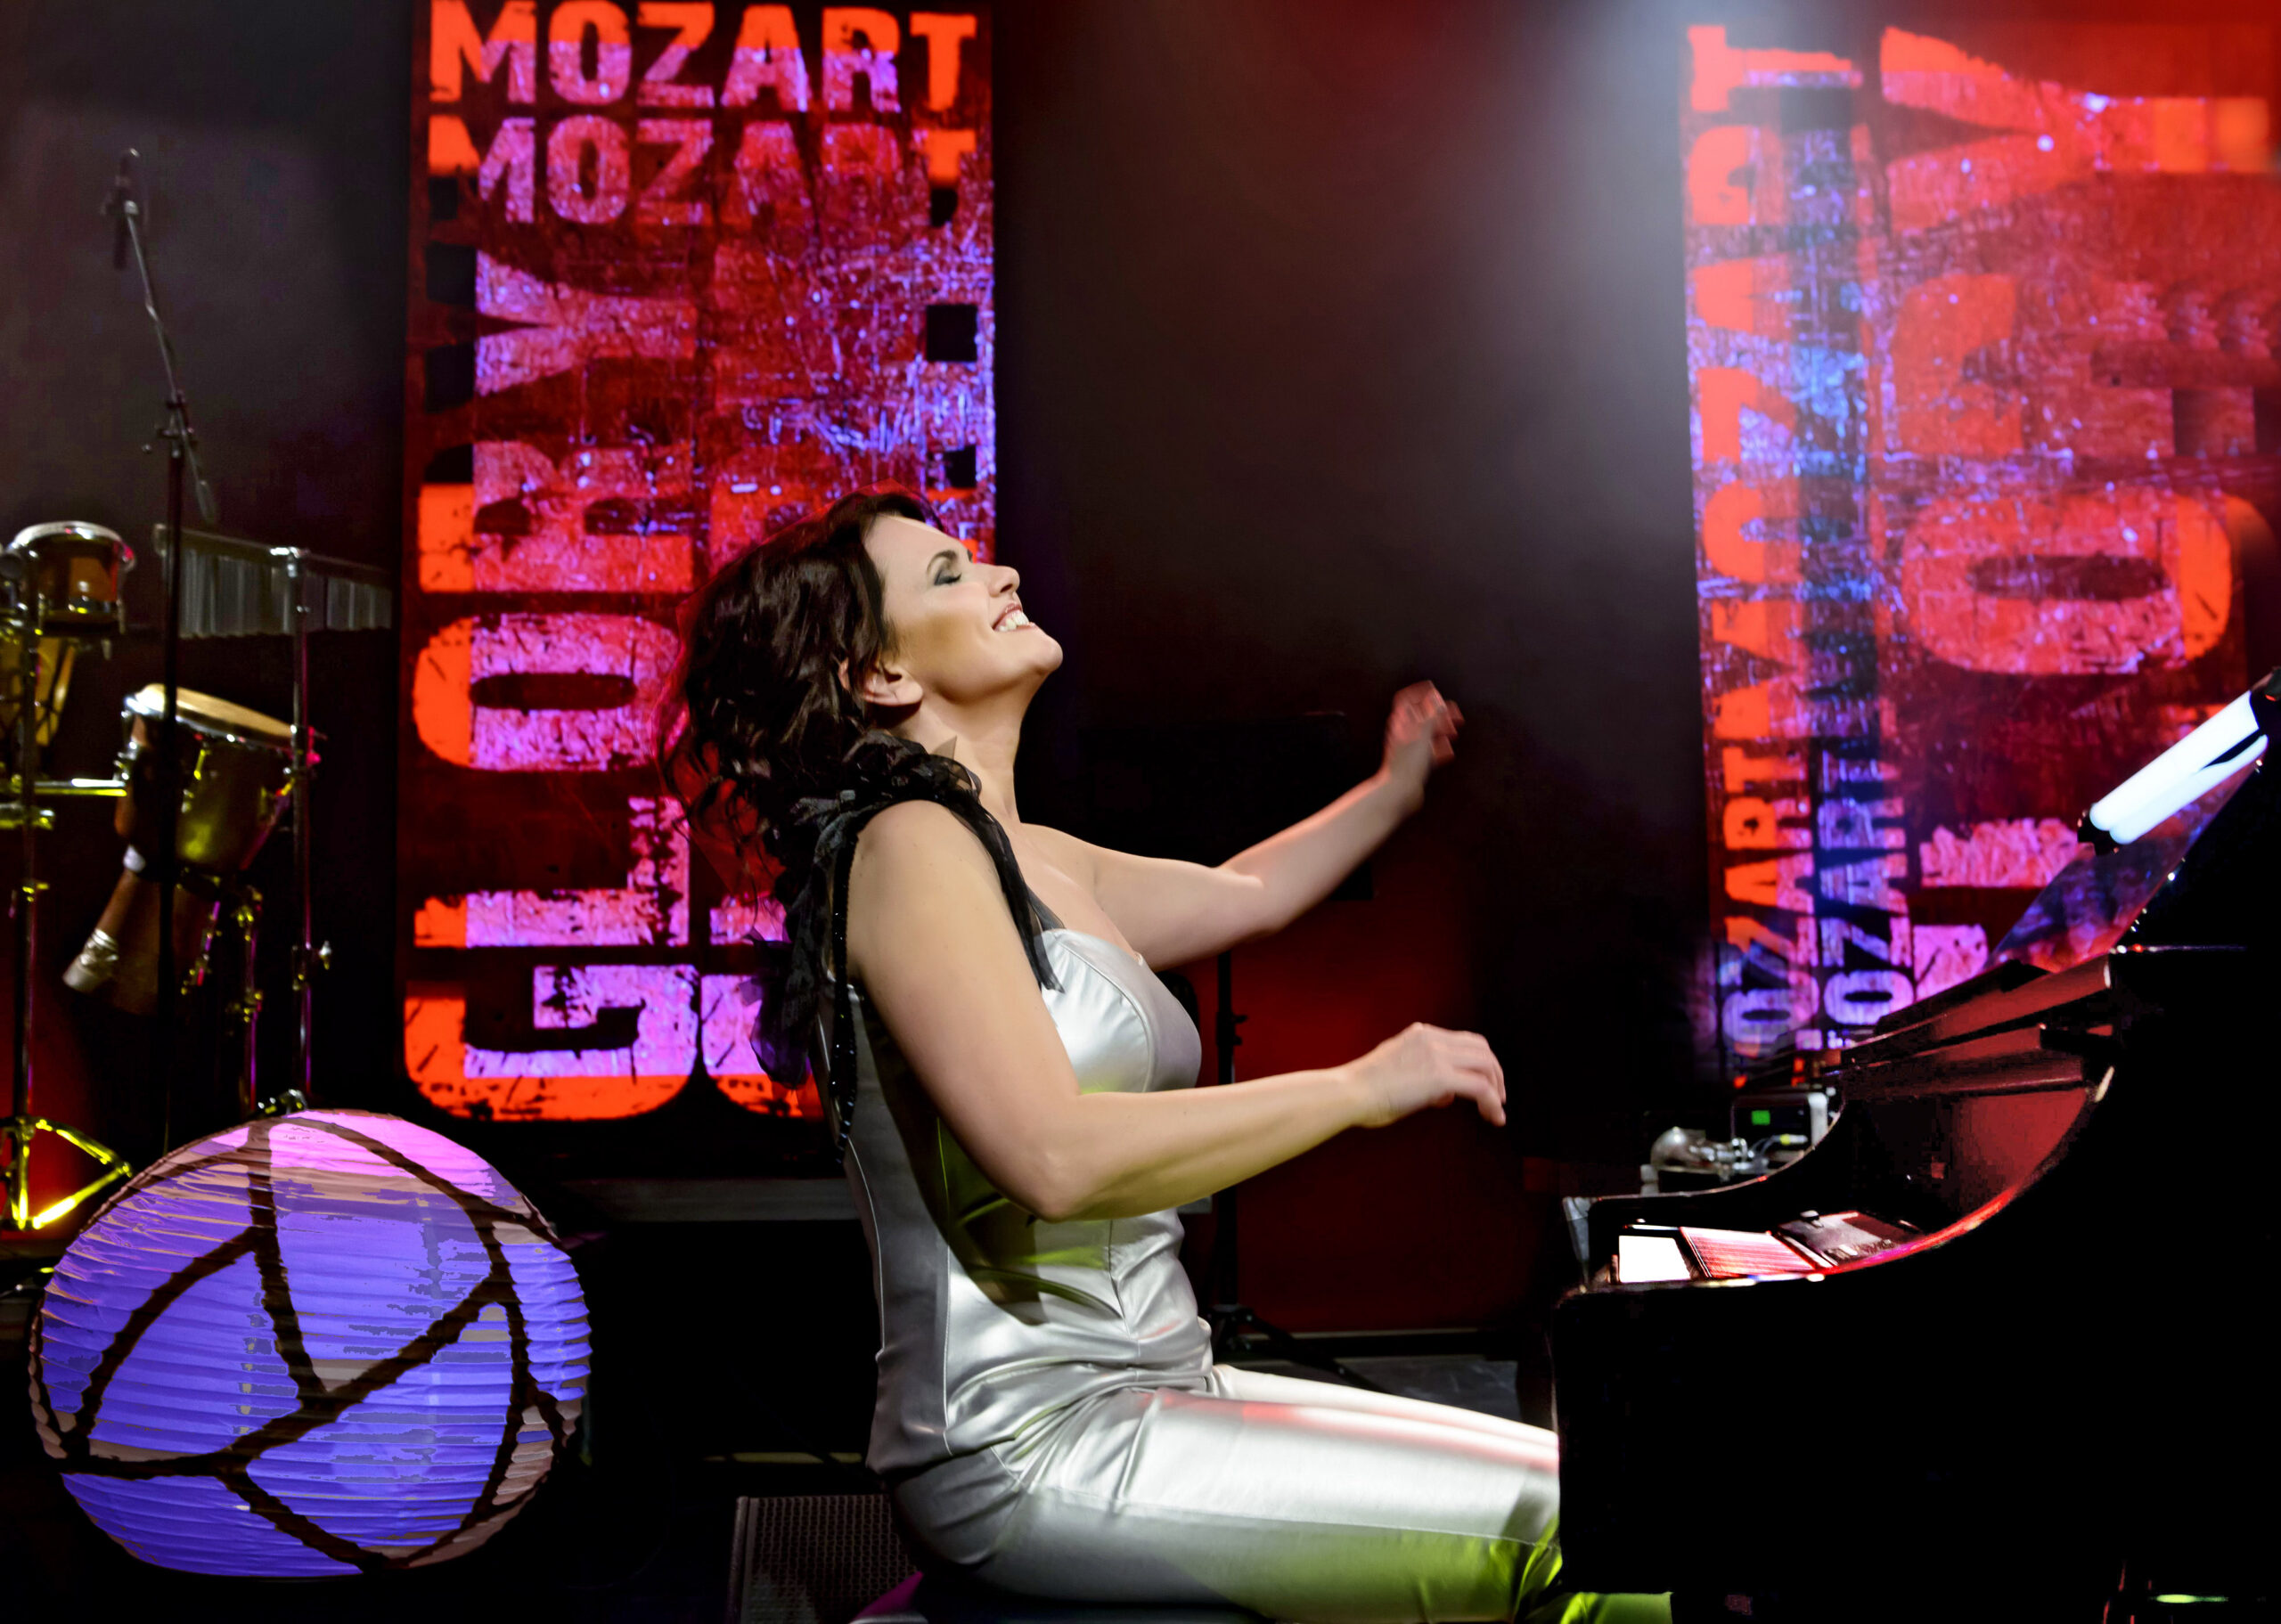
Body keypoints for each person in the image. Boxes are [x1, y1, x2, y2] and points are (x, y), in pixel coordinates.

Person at [664, 488, 1666, 1624]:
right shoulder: (906, 845)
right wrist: (1358, 1086)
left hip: (1161, 1388)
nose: (1001, 574)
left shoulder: (1029, 855)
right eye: (948, 573)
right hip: (1035, 1440)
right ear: (879, 673)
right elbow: (1052, 1155)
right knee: (1589, 1525)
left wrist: (1392, 788)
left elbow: (1247, 890)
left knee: (1611, 1486)